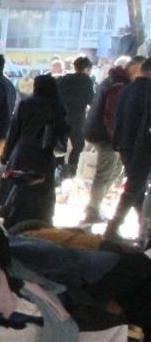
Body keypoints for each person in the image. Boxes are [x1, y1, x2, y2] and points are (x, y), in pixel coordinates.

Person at [1, 74, 69, 226]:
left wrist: (5, 156)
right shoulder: (57, 106)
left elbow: (13, 132)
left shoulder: (25, 103)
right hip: (44, 156)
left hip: (21, 153)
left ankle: (12, 221)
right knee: (41, 193)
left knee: (17, 190)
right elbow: (63, 133)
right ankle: (39, 223)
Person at [81, 55, 133, 223]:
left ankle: (95, 207)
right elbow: (111, 116)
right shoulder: (119, 85)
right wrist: (117, 141)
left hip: (99, 133)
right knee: (105, 173)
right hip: (107, 137)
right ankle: (93, 210)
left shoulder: (110, 81)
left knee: (111, 172)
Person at [107, 56, 151, 237]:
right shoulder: (148, 91)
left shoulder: (126, 90)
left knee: (136, 188)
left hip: (125, 145)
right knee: (134, 188)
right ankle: (113, 228)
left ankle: (143, 226)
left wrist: (117, 144)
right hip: (142, 147)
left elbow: (117, 118)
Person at [57, 55, 96, 176]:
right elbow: (91, 100)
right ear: (87, 69)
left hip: (60, 117)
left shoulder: (63, 79)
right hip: (77, 118)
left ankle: (57, 168)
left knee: (59, 146)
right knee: (78, 145)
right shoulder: (86, 80)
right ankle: (71, 170)